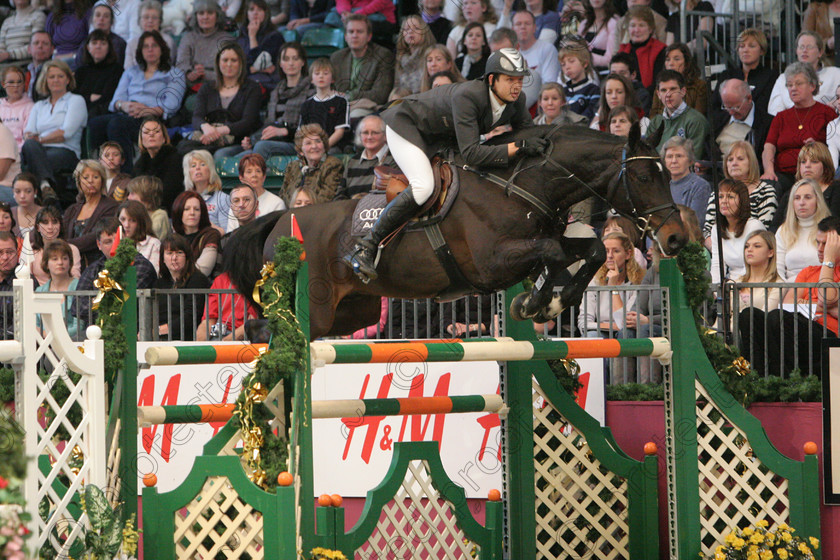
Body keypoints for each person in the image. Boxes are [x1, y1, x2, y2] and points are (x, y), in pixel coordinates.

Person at [345, 48, 543, 281]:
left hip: (440, 137)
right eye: (510, 80)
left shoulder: (516, 101)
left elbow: (531, 135)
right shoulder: (469, 96)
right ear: (491, 79)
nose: (517, 86)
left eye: (519, 80)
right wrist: (517, 148)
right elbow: (471, 153)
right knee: (423, 186)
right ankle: (366, 246)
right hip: (407, 126)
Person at [742, 216, 840, 378]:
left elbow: (825, 298)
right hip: (799, 324)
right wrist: (824, 308)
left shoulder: (829, 268)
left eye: (826, 244)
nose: (821, 249)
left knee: (778, 318)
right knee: (749, 315)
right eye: (818, 243)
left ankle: (786, 384)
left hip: (826, 334)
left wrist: (829, 260)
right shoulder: (808, 272)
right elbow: (788, 305)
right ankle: (757, 383)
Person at [89, 30, 186, 174]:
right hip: (127, 113)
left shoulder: (174, 74)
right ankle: (98, 171)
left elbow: (171, 105)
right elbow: (115, 102)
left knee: (116, 124)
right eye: (145, 47)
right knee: (95, 123)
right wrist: (125, 105)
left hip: (152, 119)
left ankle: (126, 174)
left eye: (154, 46)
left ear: (162, 49)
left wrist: (146, 109)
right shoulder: (131, 72)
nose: (150, 49)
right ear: (140, 51)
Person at [578, 232, 644, 382]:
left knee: (623, 336)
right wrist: (609, 326)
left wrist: (613, 288)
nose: (609, 256)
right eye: (606, 251)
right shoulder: (594, 281)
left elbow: (624, 323)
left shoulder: (638, 282)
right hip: (601, 333)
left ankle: (621, 390)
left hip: (626, 334)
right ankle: (597, 391)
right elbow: (584, 323)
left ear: (628, 254)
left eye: (616, 251)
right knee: (593, 337)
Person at [761, 62, 836, 194]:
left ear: (812, 86)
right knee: (768, 187)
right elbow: (769, 147)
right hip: (784, 174)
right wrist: (769, 171)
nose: (793, 88)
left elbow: (836, 147)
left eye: (799, 84)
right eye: (789, 85)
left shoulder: (826, 113)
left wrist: (817, 147)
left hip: (815, 175)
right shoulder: (781, 117)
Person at [178, 42, 262, 159]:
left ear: (241, 63)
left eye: (234, 60)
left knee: (218, 155)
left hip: (237, 141)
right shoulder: (207, 88)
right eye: (225, 60)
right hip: (207, 138)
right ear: (218, 63)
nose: (229, 64)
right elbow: (197, 117)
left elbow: (248, 121)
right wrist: (206, 128)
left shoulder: (252, 88)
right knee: (183, 148)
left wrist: (219, 131)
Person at [21, 60, 88, 202]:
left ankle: (40, 191)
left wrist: (40, 139)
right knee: (29, 146)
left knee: (29, 163)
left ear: (68, 79)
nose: (55, 80)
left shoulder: (76, 100)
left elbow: (65, 133)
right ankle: (46, 187)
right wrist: (34, 139)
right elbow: (28, 133)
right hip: (39, 151)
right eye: (51, 77)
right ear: (45, 80)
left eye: (60, 76)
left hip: (65, 151)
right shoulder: (39, 105)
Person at [73, 217, 157, 325]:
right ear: (99, 245)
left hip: (134, 331)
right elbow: (77, 307)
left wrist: (96, 299)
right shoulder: (94, 268)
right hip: (98, 332)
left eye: (118, 240)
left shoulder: (140, 265)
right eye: (108, 242)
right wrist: (108, 299)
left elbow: (123, 302)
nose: (115, 246)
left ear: (125, 238)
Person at [238, 42, 314, 160]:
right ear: (280, 63)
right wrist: (252, 139)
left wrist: (285, 131)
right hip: (272, 141)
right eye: (286, 59)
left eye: (295, 59)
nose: (290, 63)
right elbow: (269, 124)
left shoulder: (311, 90)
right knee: (226, 156)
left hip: (297, 143)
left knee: (261, 147)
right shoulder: (276, 91)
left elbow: (312, 128)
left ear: (303, 62)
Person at [702, 141, 777, 242]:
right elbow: (707, 231)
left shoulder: (765, 191)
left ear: (751, 163)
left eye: (740, 159)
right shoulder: (717, 193)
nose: (734, 163)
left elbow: (764, 231)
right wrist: (718, 251)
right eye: (730, 159)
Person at [330, 14, 395, 118]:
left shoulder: (383, 55)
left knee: (353, 115)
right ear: (346, 37)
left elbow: (380, 94)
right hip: (340, 105)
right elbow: (330, 89)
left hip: (366, 106)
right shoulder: (337, 57)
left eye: (359, 32)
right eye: (351, 32)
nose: (354, 35)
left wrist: (349, 96)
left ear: (369, 36)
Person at [62, 160, 119, 270]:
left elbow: (96, 237)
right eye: (86, 177)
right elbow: (62, 233)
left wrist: (65, 246)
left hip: (98, 265)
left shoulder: (111, 206)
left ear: (102, 181)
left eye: (96, 177)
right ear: (79, 182)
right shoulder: (72, 210)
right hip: (71, 265)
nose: (91, 181)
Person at [733, 231, 783, 355]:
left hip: (760, 342)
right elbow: (728, 313)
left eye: (757, 246)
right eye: (747, 246)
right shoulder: (736, 282)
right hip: (734, 338)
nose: (749, 250)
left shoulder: (778, 284)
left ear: (770, 252)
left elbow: (767, 315)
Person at [768, 30, 840, 115]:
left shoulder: (835, 74)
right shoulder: (783, 78)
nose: (804, 50)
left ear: (820, 52)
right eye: (801, 47)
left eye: (809, 47)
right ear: (796, 51)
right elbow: (774, 111)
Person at [711, 28, 777, 120]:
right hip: (727, 126)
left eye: (752, 46)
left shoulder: (771, 76)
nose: (745, 50)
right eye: (742, 46)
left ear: (762, 51)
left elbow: (765, 108)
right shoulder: (727, 75)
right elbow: (714, 107)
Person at [709, 179, 766, 285]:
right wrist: (716, 290)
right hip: (730, 286)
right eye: (721, 197)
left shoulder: (754, 226)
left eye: (730, 197)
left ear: (742, 201)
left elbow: (755, 265)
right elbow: (717, 264)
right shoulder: (716, 229)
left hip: (753, 284)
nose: (724, 201)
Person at [155, 233, 211, 341]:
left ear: (187, 257)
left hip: (187, 338)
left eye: (179, 253)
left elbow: (191, 316)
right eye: (169, 253)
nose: (174, 258)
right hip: (161, 338)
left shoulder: (198, 280)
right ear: (163, 258)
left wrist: (160, 330)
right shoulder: (160, 283)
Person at [771, 142, 840, 228]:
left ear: (826, 167)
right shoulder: (791, 193)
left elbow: (835, 226)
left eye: (814, 162)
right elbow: (774, 228)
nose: (807, 165)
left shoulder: (837, 189)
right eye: (803, 162)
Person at [646, 69, 710, 158]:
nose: (668, 94)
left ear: (683, 91)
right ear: (658, 94)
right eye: (663, 90)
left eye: (673, 89)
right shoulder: (655, 122)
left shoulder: (696, 121)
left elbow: (693, 160)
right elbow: (647, 155)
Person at [775, 179, 829, 282]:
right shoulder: (783, 230)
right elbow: (778, 270)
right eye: (797, 198)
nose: (802, 203)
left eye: (808, 197)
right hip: (790, 290)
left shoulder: (830, 230)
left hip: (820, 289)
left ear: (818, 200)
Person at [176, 1, 234, 94]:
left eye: (210, 13)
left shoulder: (226, 39)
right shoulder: (188, 37)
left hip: (219, 86)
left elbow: (230, 71)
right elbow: (180, 65)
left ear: (217, 16)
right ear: (196, 16)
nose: (205, 17)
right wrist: (189, 74)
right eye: (201, 13)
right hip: (191, 87)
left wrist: (205, 74)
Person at [335, 115, 397, 200]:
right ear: (359, 136)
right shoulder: (353, 162)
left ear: (385, 135)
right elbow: (340, 194)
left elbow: (394, 194)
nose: (369, 137)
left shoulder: (394, 159)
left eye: (375, 132)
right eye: (365, 133)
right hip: (350, 210)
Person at [281, 124, 344, 204]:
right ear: (301, 151)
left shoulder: (333, 165)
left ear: (324, 146)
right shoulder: (292, 167)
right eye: (308, 143)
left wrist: (301, 206)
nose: (314, 146)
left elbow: (326, 199)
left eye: (318, 141)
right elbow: (283, 196)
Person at [133, 116, 185, 211]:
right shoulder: (139, 165)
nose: (151, 134)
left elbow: (169, 193)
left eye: (156, 131)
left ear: (164, 138)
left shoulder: (175, 159)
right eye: (146, 132)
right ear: (141, 139)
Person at [713, 78, 772, 160]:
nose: (731, 113)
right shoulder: (718, 119)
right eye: (727, 107)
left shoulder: (768, 123)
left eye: (736, 107)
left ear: (749, 98)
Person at [298, 59, 350, 151]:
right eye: (317, 73)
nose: (321, 76)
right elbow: (301, 132)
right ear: (311, 79)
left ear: (333, 79)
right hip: (310, 148)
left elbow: (339, 131)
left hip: (332, 147)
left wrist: (323, 148)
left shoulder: (341, 101)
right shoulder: (306, 104)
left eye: (325, 73)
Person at [35, 240, 81, 339]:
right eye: (54, 259)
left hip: (73, 343)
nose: (60, 263)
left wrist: (55, 337)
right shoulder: (40, 291)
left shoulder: (79, 287)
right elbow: (36, 324)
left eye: (64, 258)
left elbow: (79, 325)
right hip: (45, 346)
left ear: (70, 262)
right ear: (46, 264)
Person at [74, 29, 124, 119]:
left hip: (102, 113)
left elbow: (109, 97)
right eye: (94, 43)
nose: (98, 46)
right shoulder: (81, 71)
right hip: (78, 110)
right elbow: (73, 95)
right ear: (88, 48)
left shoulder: (117, 70)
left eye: (103, 43)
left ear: (109, 48)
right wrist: (89, 97)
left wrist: (85, 98)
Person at [662, 136, 710, 230]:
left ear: (690, 161)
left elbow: (696, 224)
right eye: (669, 156)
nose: (674, 161)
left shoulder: (700, 186)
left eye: (679, 156)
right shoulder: (661, 187)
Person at [228, 154, 286, 232]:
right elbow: (231, 233)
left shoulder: (277, 203)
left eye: (258, 171)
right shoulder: (237, 203)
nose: (254, 175)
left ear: (264, 176)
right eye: (249, 171)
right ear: (241, 178)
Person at [171, 191, 221, 276]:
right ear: (179, 211)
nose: (192, 213)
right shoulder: (173, 238)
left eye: (197, 209)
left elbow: (203, 270)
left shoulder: (211, 235)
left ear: (202, 213)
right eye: (186, 209)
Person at [650, 43, 707, 117]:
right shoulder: (661, 86)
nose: (671, 63)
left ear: (686, 63)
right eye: (667, 60)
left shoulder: (700, 86)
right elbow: (653, 116)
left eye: (676, 59)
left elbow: (698, 117)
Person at [237, 0, 284, 90]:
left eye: (259, 10)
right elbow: (236, 66)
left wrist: (252, 37)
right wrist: (251, 69)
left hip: (266, 83)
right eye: (251, 9)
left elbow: (263, 63)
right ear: (247, 14)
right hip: (243, 81)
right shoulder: (241, 38)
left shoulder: (275, 37)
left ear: (265, 13)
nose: (255, 13)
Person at [617, 6, 666, 91]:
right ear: (628, 29)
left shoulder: (660, 50)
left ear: (650, 29)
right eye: (632, 25)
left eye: (641, 25)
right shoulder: (622, 52)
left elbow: (658, 84)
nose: (636, 30)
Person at [29, 205, 82, 285]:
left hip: (66, 294)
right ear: (38, 228)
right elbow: (26, 277)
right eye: (45, 223)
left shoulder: (72, 249)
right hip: (37, 294)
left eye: (54, 222)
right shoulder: (30, 249)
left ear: (60, 226)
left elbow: (75, 278)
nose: (50, 227)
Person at [183, 150, 231, 231]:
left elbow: (227, 233)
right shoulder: (184, 200)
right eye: (193, 166)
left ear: (210, 170)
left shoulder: (223, 199)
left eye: (202, 164)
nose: (197, 168)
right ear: (188, 173)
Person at [124, 0, 177, 70]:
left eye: (154, 18)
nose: (150, 21)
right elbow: (128, 70)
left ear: (160, 21)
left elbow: (167, 66)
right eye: (146, 17)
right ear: (139, 21)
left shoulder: (167, 41)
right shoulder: (132, 43)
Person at [513, 10, 558, 85]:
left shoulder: (547, 49)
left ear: (534, 27)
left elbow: (549, 84)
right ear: (512, 29)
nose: (523, 27)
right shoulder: (511, 54)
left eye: (527, 23)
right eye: (518, 24)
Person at [559, 40, 599, 123]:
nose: (567, 67)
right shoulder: (561, 92)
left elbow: (590, 115)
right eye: (563, 64)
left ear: (585, 63)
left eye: (571, 61)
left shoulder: (593, 91)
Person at [395, 15, 437, 94]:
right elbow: (396, 87)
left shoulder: (431, 55)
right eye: (407, 29)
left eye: (416, 28)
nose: (410, 31)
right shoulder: (401, 58)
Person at [117, 199, 161, 274]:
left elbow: (153, 274)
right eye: (123, 219)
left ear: (141, 222)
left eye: (132, 220)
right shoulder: (113, 243)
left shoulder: (153, 244)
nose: (126, 225)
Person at [578, 0, 618, 71]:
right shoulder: (584, 24)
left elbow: (610, 59)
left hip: (604, 73)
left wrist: (585, 57)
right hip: (584, 71)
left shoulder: (613, 23)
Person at [0, 67, 34, 151]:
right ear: (3, 84)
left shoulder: (30, 107)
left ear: (24, 84)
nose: (16, 86)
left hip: (17, 154)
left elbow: (28, 138)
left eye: (19, 82)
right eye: (11, 82)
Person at [127, 175, 169, 240]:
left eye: (132, 193)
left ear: (145, 195)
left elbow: (149, 239)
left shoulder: (160, 215)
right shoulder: (131, 213)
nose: (128, 197)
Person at [25, 32, 54, 103]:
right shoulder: (23, 72)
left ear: (52, 49)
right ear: (29, 49)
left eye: (45, 43)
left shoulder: (54, 71)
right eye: (36, 43)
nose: (40, 46)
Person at [11, 173, 41, 238]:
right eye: (18, 191)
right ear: (13, 192)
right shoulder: (8, 214)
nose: (22, 196)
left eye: (28, 191)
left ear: (35, 191)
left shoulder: (46, 213)